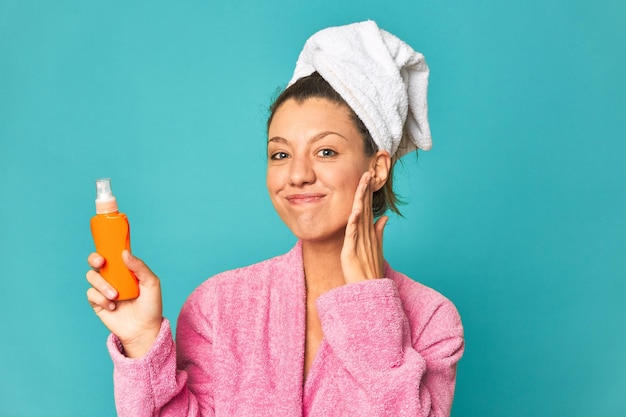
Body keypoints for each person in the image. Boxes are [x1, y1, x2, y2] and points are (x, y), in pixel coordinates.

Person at [86, 20, 464, 417]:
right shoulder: (216, 306)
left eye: (326, 152)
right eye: (280, 154)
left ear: (379, 168)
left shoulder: (432, 321)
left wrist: (369, 306)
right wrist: (144, 341)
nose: (297, 174)